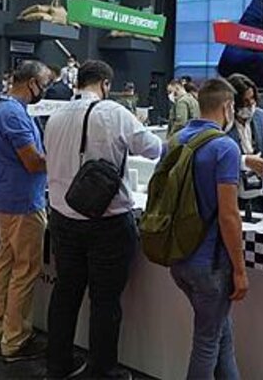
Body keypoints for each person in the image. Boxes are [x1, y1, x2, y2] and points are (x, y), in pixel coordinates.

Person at [43, 60, 162, 378]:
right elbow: (153, 149)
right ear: (105, 84)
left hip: (62, 217)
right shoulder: (113, 113)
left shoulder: (55, 116)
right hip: (107, 221)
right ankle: (101, 369)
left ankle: (57, 363)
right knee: (105, 300)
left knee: (65, 293)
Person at [170, 78, 248, 379]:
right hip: (211, 264)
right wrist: (239, 270)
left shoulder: (176, 141)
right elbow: (229, 215)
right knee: (206, 342)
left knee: (219, 332)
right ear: (227, 107)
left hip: (179, 257)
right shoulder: (224, 147)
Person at [0, 60, 52, 362]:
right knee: (24, 271)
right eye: (44, 84)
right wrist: (60, 158)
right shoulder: (14, 114)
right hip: (24, 201)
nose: (45, 90)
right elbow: (33, 162)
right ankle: (15, 339)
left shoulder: (3, 109)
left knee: (5, 263)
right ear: (31, 83)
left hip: (8, 196)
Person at [225, 73, 263, 214]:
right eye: (245, 101)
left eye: (252, 98)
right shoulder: (223, 121)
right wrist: (245, 161)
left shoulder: (262, 116)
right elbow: (218, 158)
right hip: (232, 194)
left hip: (259, 194)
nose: (250, 104)